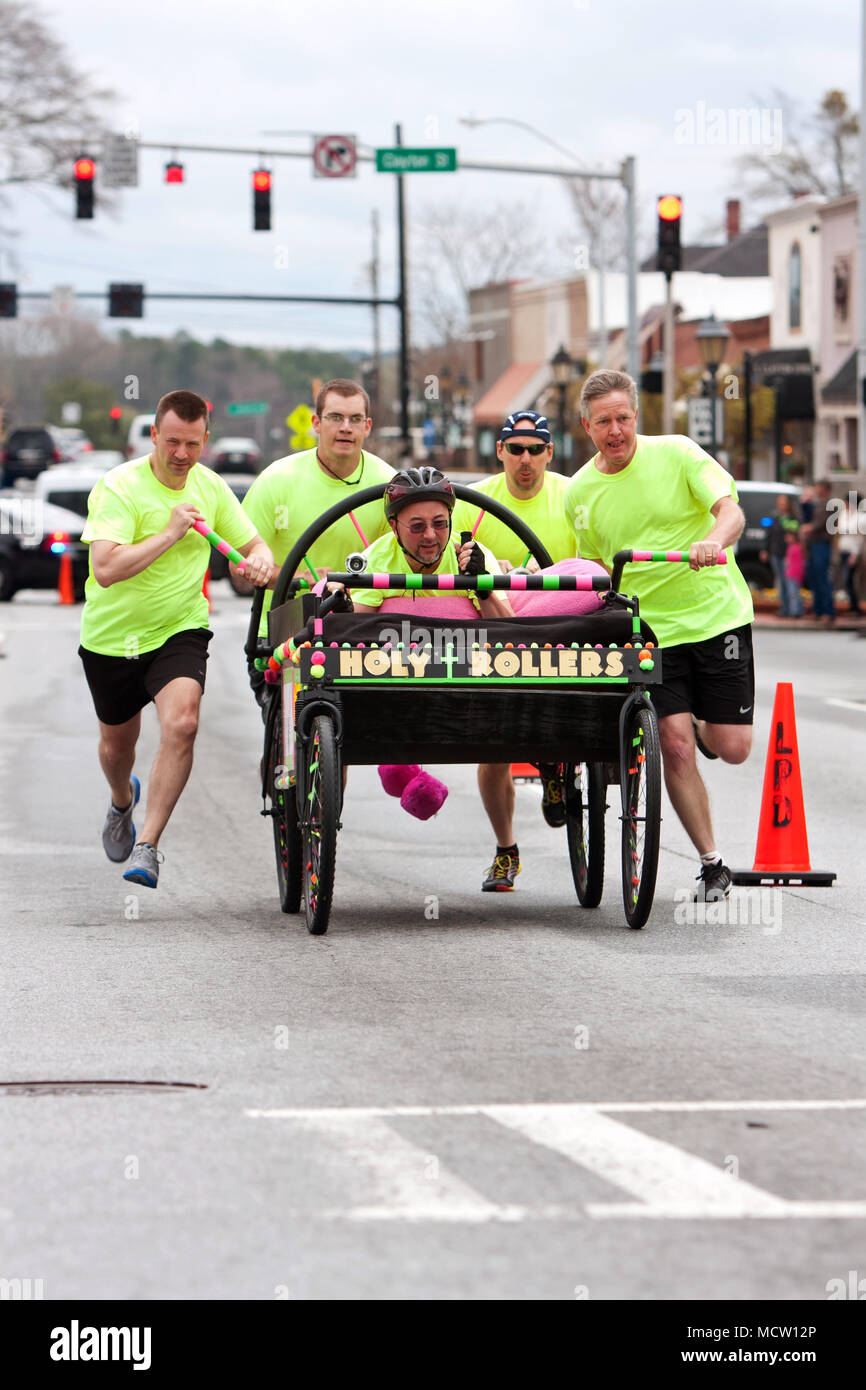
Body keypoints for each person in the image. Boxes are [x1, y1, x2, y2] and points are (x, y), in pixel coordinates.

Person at [564, 369, 755, 902]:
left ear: (636, 418)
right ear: (587, 425)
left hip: (716, 618)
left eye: (624, 418)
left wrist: (713, 542)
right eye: (604, 422)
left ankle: (703, 722)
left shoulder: (678, 452)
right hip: (647, 633)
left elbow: (731, 512)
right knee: (671, 743)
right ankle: (712, 862)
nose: (616, 431)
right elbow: (595, 566)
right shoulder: (580, 490)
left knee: (732, 747)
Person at [80, 390, 275, 889]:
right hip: (113, 637)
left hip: (179, 628)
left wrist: (259, 560)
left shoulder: (210, 487)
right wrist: (169, 533)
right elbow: (105, 569)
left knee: (183, 723)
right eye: (171, 442)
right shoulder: (119, 487)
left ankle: (147, 846)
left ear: (205, 440)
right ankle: (123, 799)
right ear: (153, 436)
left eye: (192, 444)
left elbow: (253, 544)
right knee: (115, 748)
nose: (181, 455)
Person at [454, 410, 582, 881]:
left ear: (549, 452)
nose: (524, 460)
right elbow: (456, 566)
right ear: (500, 452)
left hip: (561, 629)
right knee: (495, 750)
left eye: (535, 450)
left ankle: (556, 763)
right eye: (515, 449)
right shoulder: (474, 502)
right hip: (494, 632)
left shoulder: (573, 495)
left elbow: (594, 562)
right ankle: (506, 848)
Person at [241, 379, 394, 660]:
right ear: (316, 423)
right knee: (299, 706)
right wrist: (301, 580)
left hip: (361, 634)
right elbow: (238, 570)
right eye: (335, 417)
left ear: (367, 427)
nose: (345, 427)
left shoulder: (389, 485)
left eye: (355, 419)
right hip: (282, 635)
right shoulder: (276, 480)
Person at [759, 494, 801, 617]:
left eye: (783, 502)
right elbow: (769, 534)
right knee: (781, 581)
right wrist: (765, 549)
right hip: (775, 552)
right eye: (779, 502)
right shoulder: (775, 517)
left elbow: (794, 534)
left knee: (790, 582)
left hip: (789, 554)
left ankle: (795, 609)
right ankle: (784, 608)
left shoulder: (793, 518)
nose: (781, 504)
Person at [805, 479, 837, 624]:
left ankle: (828, 612)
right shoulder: (817, 503)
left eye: (817, 487)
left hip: (823, 544)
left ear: (824, 488)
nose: (815, 489)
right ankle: (818, 610)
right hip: (814, 544)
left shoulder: (830, 504)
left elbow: (820, 523)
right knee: (814, 578)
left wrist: (809, 527)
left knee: (823, 578)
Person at [836, 492, 863, 615]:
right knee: (845, 580)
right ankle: (852, 607)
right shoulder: (843, 514)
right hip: (843, 551)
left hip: (853, 552)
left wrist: (855, 554)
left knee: (850, 580)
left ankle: (855, 607)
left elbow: (859, 539)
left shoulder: (860, 517)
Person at [783, 526, 805, 618]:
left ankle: (795, 611)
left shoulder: (796, 548)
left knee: (793, 593)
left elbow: (794, 562)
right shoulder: (792, 547)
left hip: (794, 573)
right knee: (794, 592)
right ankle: (798, 609)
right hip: (791, 573)